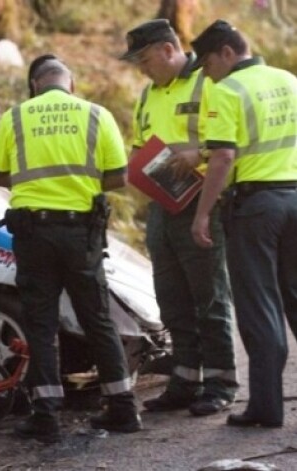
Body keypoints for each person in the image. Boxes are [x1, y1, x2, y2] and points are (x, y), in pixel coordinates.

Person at [0, 54, 142, 442]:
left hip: (34, 233)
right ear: (70, 84)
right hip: (81, 234)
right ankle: (123, 407)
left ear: (35, 85)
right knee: (98, 318)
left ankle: (47, 416)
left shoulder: (16, 116)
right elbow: (119, 177)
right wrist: (78, 185)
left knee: (41, 323)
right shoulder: (96, 115)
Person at [119, 19, 238, 416]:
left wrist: (200, 154)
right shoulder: (147, 95)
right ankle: (186, 381)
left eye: (144, 58)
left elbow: (231, 140)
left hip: (203, 203)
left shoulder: (209, 83)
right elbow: (140, 146)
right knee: (171, 297)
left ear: (168, 49)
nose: (141, 68)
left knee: (209, 296)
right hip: (162, 206)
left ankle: (221, 382)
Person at [190, 19, 297, 427]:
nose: (205, 73)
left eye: (206, 63)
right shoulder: (289, 79)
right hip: (295, 198)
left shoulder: (228, 90)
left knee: (260, 308)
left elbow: (222, 157)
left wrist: (202, 214)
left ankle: (267, 408)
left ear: (227, 53)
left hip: (257, 208)